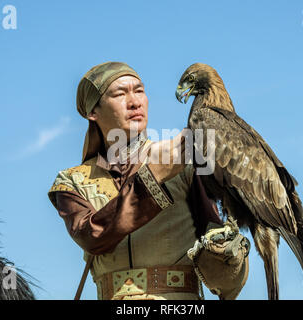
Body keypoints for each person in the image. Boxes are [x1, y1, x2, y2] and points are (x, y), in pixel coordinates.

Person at [48, 62, 250, 300]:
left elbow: (220, 257)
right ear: (93, 112)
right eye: (120, 94)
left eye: (140, 90)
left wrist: (229, 259)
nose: (134, 101)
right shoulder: (71, 181)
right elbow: (91, 236)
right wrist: (153, 177)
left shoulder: (186, 163)